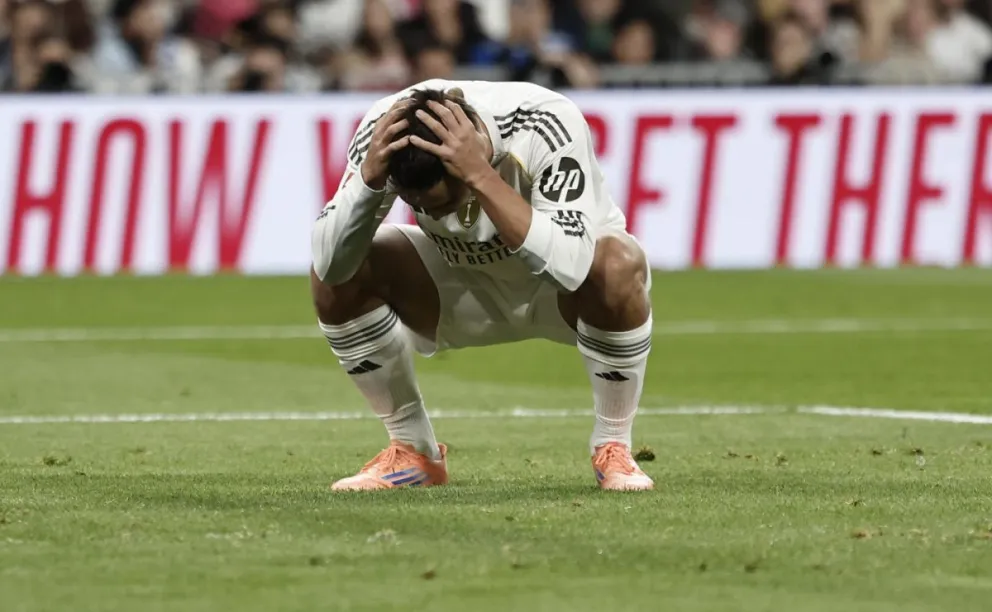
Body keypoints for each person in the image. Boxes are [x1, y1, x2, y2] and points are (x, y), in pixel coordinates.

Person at [311, 80, 655, 492]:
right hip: (458, 287)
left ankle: (614, 447)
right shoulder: (387, 131)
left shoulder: (545, 121)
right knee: (342, 271)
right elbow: (330, 266)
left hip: (562, 294)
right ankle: (413, 450)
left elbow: (570, 268)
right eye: (415, 205)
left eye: (443, 203)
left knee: (616, 265)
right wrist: (368, 179)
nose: (426, 212)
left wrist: (479, 174)